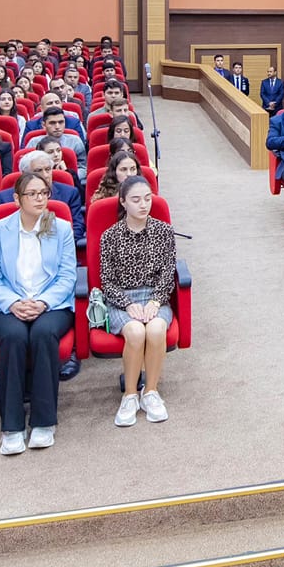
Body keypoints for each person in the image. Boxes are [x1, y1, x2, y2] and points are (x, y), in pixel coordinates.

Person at [97, 175, 178, 426]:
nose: (143, 205)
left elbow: (168, 272)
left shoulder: (164, 231)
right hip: (123, 298)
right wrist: (127, 303)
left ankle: (151, 392)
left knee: (155, 329)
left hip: (155, 296)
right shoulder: (110, 236)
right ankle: (130, 394)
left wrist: (155, 302)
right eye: (135, 200)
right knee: (134, 333)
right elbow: (106, 280)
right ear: (123, 202)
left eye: (147, 198)